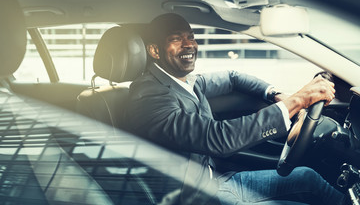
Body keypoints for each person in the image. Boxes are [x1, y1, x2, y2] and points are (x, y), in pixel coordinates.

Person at [124, 13, 347, 205]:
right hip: (197, 198)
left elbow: (233, 78)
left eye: (190, 36)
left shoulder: (185, 80)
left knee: (306, 177)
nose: (189, 44)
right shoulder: (148, 97)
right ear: (154, 50)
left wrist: (278, 95)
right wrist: (297, 101)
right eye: (176, 39)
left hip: (215, 182)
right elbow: (217, 138)